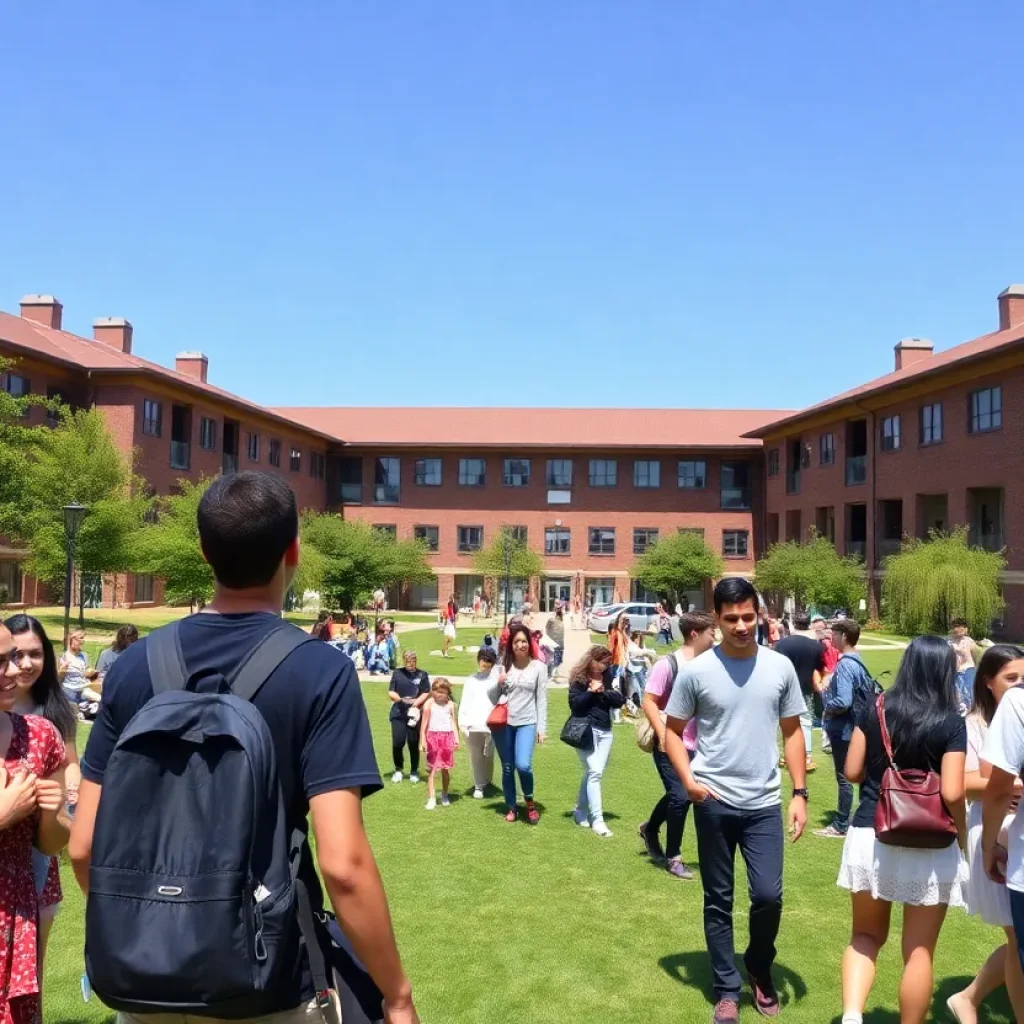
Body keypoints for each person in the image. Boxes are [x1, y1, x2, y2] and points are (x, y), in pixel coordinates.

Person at [68, 471, 420, 1024]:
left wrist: (158, 930)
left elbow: (84, 847)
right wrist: (396, 995)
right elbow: (343, 865)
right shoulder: (319, 671)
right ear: (294, 551)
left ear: (205, 552)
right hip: (268, 981)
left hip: (145, 989)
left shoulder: (135, 666)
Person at [664, 578, 807, 1023]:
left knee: (768, 895)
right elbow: (671, 730)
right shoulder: (696, 672)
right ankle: (727, 987)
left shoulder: (779, 667)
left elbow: (793, 731)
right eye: (731, 619)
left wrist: (800, 793)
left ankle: (759, 968)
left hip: (764, 802)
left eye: (748, 616)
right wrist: (688, 781)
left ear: (759, 614)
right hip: (713, 800)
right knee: (718, 899)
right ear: (717, 619)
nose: (742, 626)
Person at [836, 636, 967, 1024]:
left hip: (871, 831)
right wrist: (964, 834)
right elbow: (954, 790)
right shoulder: (950, 721)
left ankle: (852, 1016)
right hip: (931, 840)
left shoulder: (875, 708)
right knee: (919, 950)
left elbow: (853, 771)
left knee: (865, 936)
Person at [947, 645, 1024, 1024]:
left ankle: (968, 997)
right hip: (991, 828)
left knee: (1016, 937)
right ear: (988, 681)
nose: (1019, 684)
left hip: (1015, 829)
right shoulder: (973, 724)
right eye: (1011, 678)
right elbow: (961, 783)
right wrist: (1013, 784)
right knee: (1015, 936)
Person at [0, 618, 70, 1024]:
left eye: (12, 657)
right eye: (2, 661)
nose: (13, 671)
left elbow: (50, 844)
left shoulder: (40, 735)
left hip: (17, 905)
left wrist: (51, 810)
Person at [638, 611, 716, 880]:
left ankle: (649, 828)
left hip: (698, 743)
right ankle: (674, 857)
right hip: (670, 742)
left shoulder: (711, 664)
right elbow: (648, 701)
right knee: (682, 797)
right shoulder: (668, 664)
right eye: (711, 633)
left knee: (679, 794)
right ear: (695, 634)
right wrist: (662, 733)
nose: (715, 637)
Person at [488, 622, 548, 824]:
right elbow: (491, 697)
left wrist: (541, 728)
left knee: (523, 765)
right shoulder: (503, 666)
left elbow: (542, 699)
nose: (520, 645)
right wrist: (499, 682)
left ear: (529, 643)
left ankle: (529, 803)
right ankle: (511, 806)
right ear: (511, 644)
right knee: (507, 767)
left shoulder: (539, 667)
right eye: (516, 642)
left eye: (524, 641)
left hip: (527, 723)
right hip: (504, 724)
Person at [815, 620, 869, 839]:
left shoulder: (846, 664)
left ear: (844, 636)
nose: (831, 638)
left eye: (834, 634)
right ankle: (863, 816)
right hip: (856, 727)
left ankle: (841, 824)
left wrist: (825, 699)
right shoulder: (857, 660)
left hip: (845, 729)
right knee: (861, 774)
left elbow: (843, 701)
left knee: (844, 776)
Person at [568, 646, 623, 838]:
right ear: (591, 660)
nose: (604, 666)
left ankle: (580, 811)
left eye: (607, 663)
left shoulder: (609, 676)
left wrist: (603, 692)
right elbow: (575, 705)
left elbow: (619, 700)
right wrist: (590, 692)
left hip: (606, 732)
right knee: (595, 773)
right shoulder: (579, 679)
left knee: (592, 773)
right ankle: (598, 820)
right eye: (601, 662)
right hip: (585, 731)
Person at [774, 613, 825, 775]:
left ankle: (780, 755)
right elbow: (818, 668)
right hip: (805, 688)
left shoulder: (783, 644)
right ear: (808, 624)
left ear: (794, 625)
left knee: (779, 722)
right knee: (806, 722)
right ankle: (807, 756)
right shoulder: (816, 646)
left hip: (784, 688)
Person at [459, 648, 498, 798]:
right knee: (476, 755)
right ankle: (478, 785)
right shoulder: (471, 680)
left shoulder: (496, 681)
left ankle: (487, 780)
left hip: (491, 724)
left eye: (489, 661)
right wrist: (462, 723)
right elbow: (465, 702)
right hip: (472, 723)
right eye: (483, 660)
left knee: (488, 754)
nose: (485, 664)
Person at [387, 650, 430, 784]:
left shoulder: (422, 674)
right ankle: (398, 770)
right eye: (408, 660)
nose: (411, 663)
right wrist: (401, 701)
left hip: (415, 714)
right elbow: (391, 692)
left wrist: (415, 704)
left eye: (413, 660)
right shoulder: (398, 673)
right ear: (404, 660)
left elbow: (426, 692)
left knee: (413, 743)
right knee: (398, 743)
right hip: (399, 713)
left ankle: (414, 771)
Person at [420, 678, 459, 811]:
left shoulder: (451, 705)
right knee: (432, 769)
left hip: (447, 737)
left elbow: (453, 722)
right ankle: (431, 797)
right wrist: (423, 740)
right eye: (436, 691)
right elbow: (424, 724)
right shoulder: (429, 704)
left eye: (442, 692)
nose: (439, 695)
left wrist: (456, 738)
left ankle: (444, 794)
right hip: (433, 737)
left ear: (447, 692)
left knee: (445, 768)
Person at [58, 629, 91, 714]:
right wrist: (62, 670)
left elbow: (86, 671)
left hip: (83, 690)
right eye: (80, 639)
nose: (82, 642)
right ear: (71, 640)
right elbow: (58, 680)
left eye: (83, 639)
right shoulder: (64, 657)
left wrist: (89, 672)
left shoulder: (83, 656)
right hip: (69, 691)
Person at [951, 618, 979, 712]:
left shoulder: (970, 642)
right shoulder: (949, 642)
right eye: (955, 626)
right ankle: (959, 709)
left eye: (961, 627)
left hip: (968, 670)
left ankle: (971, 709)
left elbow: (976, 657)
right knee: (957, 691)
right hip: (955, 671)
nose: (957, 629)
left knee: (968, 691)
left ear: (966, 629)